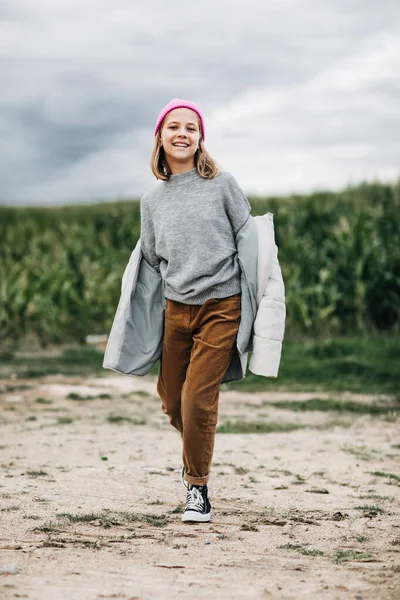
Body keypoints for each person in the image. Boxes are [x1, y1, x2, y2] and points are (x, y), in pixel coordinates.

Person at [103, 97, 286, 524]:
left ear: (201, 139)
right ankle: (198, 446)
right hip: (175, 310)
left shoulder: (223, 185)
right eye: (173, 127)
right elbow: (150, 262)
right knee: (171, 401)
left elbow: (250, 244)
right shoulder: (152, 201)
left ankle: (197, 489)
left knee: (197, 399)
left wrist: (260, 300)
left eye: (191, 127)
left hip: (222, 306)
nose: (182, 133)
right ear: (160, 138)